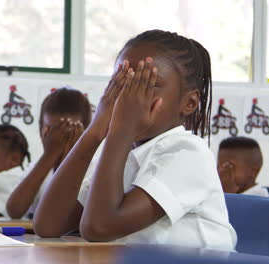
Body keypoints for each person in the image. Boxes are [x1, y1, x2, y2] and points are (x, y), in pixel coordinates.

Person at [33, 30, 236, 251]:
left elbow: (99, 228)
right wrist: (94, 131)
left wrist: (121, 130)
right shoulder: (121, 153)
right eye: (121, 83)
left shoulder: (188, 152)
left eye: (147, 84)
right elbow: (48, 225)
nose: (128, 96)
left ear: (189, 102)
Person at [6, 88, 92, 219]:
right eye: (52, 131)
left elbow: (61, 216)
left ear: (86, 131)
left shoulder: (96, 169)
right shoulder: (36, 168)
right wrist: (50, 155)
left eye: (69, 130)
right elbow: (14, 211)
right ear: (41, 130)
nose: (60, 137)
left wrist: (71, 160)